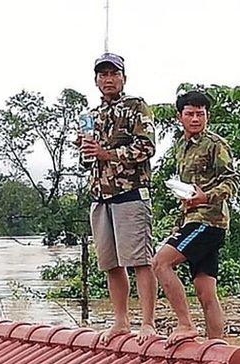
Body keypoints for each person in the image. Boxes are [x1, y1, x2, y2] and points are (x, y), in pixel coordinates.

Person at [151, 90, 240, 345]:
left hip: (208, 221)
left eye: (200, 114)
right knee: (205, 292)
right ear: (180, 117)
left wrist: (206, 197)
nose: (195, 119)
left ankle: (185, 325)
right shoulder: (181, 147)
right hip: (191, 220)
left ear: (207, 116)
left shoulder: (215, 144)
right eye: (190, 114)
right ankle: (217, 347)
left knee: (160, 263)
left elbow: (232, 181)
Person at [80, 52, 158, 342]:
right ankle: (121, 321)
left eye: (113, 74)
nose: (108, 79)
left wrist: (106, 153)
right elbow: (86, 161)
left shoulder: (137, 107)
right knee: (110, 263)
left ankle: (148, 323)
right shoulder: (90, 116)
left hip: (130, 193)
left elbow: (146, 148)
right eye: (103, 74)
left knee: (140, 260)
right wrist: (87, 150)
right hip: (99, 196)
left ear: (123, 77)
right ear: (96, 80)